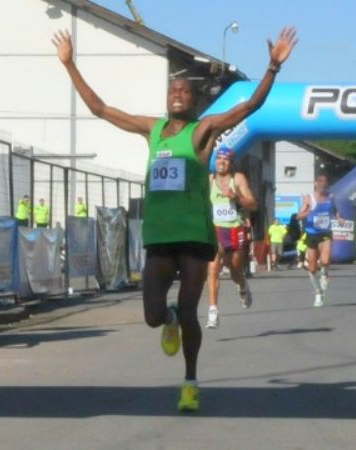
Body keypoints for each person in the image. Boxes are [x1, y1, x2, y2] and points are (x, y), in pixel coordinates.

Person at [52, 27, 297, 411]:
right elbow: (100, 109)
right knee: (153, 315)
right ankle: (167, 320)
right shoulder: (152, 130)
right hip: (159, 238)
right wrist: (69, 64)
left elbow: (249, 106)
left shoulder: (204, 131)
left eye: (184, 90)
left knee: (189, 310)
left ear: (195, 100)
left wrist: (272, 67)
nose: (177, 94)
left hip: (195, 238)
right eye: (172, 91)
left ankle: (190, 382)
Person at [205, 148, 257, 329]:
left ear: (231, 163)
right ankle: (213, 311)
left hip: (235, 228)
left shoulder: (238, 179)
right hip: (216, 228)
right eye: (219, 158)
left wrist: (236, 196)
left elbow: (253, 204)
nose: (221, 162)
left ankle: (242, 286)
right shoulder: (209, 180)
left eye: (225, 159)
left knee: (235, 268)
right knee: (213, 267)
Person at [298, 173, 341, 307]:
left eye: (325, 181)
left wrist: (339, 218)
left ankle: (324, 274)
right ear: (315, 183)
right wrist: (306, 213)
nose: (322, 183)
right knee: (312, 268)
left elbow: (334, 211)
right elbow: (299, 216)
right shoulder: (308, 198)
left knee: (325, 260)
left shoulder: (330, 197)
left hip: (325, 233)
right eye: (320, 181)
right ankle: (318, 292)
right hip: (311, 235)